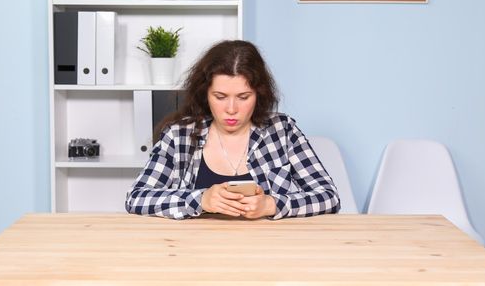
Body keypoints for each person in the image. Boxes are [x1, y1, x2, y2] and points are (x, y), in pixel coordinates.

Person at [125, 40, 340, 219]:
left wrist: (271, 205)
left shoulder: (282, 131)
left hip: (269, 254)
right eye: (220, 97)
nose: (231, 109)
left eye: (243, 97)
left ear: (259, 94)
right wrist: (199, 200)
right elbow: (137, 198)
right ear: (205, 94)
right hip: (192, 254)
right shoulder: (179, 135)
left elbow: (329, 197)